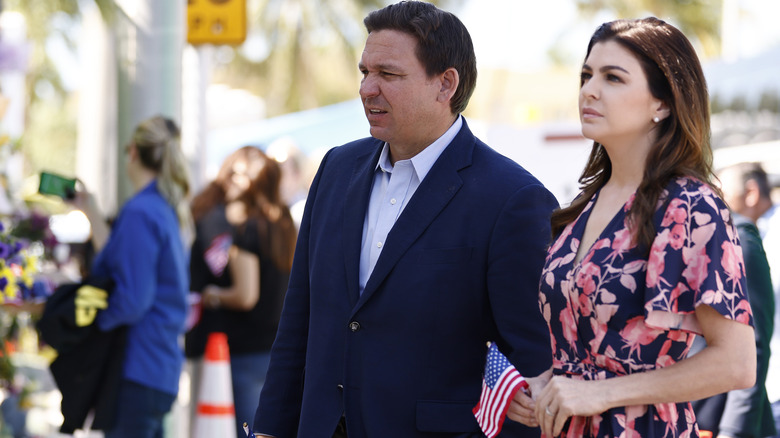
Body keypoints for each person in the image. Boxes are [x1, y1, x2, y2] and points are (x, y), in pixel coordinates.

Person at [252, 1, 559, 437]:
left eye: (388, 74)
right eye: (364, 72)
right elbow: (298, 321)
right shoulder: (336, 170)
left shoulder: (512, 198)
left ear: (445, 84)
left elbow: (530, 366)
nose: (366, 89)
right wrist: (268, 430)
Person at [508, 18, 757, 438]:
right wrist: (542, 387)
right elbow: (582, 343)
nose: (589, 89)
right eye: (586, 75)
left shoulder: (690, 206)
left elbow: (737, 363)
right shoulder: (584, 208)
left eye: (613, 78)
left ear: (662, 103)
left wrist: (601, 394)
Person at [73, 115, 193, 438]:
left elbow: (134, 299)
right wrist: (90, 211)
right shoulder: (164, 210)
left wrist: (94, 321)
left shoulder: (142, 211)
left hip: (138, 368)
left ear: (134, 153)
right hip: (158, 367)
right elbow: (119, 258)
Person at [186, 145, 296, 438]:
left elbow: (246, 295)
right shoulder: (286, 224)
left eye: (241, 176)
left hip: (244, 350)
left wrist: (212, 294)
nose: (232, 183)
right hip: (278, 349)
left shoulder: (249, 228)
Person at [717, 162, 780, 438]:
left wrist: (733, 429)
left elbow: (754, 338)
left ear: (750, 193)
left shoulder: (745, 236)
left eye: (724, 196)